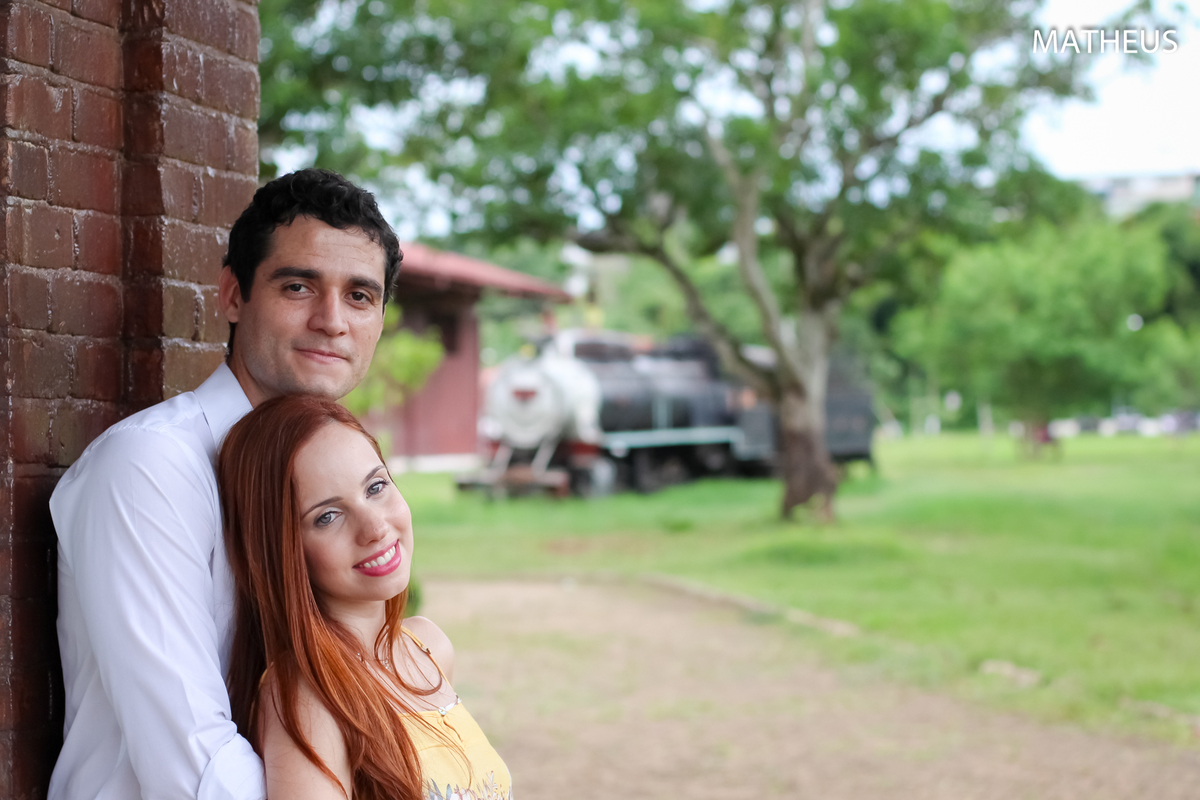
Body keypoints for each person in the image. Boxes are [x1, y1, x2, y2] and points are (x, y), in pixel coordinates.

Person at [49, 168, 401, 800]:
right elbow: (194, 763)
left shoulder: (334, 473)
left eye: (360, 295)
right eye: (299, 286)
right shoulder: (152, 466)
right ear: (234, 295)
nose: (332, 321)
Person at [218, 395, 512, 800]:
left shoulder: (428, 648)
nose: (374, 527)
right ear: (284, 550)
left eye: (376, 487)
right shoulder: (307, 696)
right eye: (327, 516)